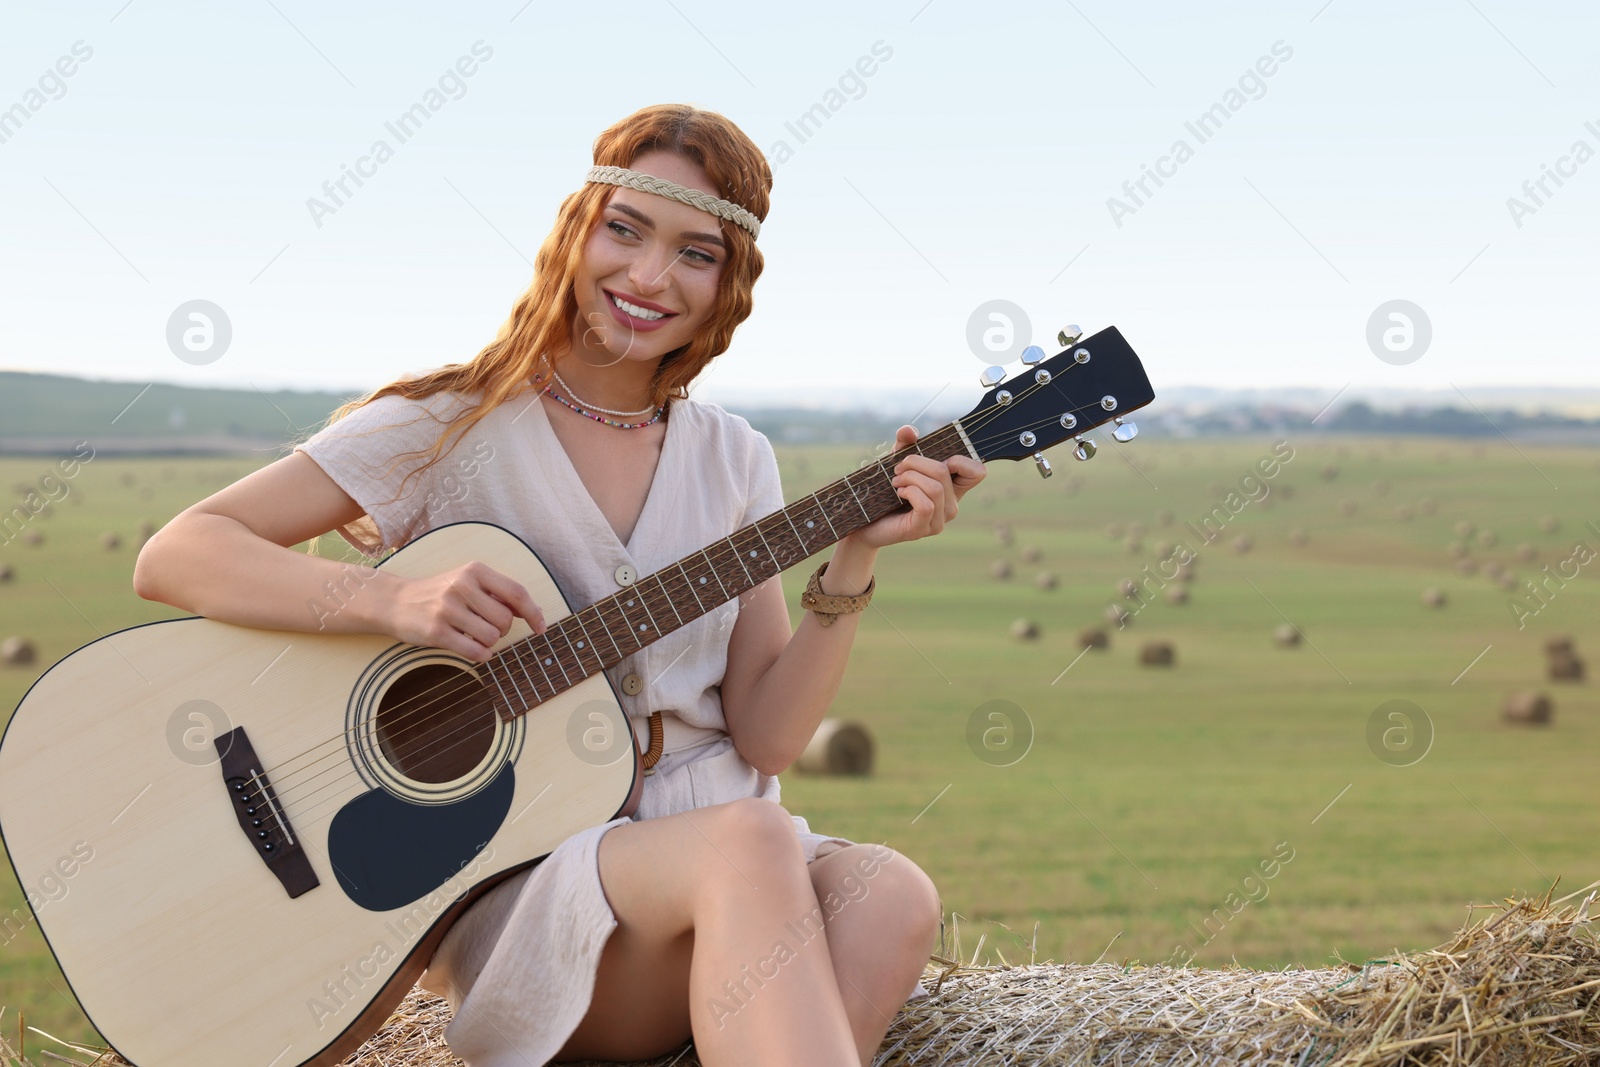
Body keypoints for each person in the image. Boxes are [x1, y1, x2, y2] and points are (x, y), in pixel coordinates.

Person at [132, 103, 986, 1067]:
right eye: (625, 230)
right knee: (748, 839)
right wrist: (389, 600)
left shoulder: (735, 457)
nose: (649, 276)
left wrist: (854, 557)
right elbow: (178, 552)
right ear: (578, 232)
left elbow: (770, 735)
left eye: (695, 254)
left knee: (892, 894)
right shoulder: (446, 424)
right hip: (531, 876)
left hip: (724, 875)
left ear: (728, 285)